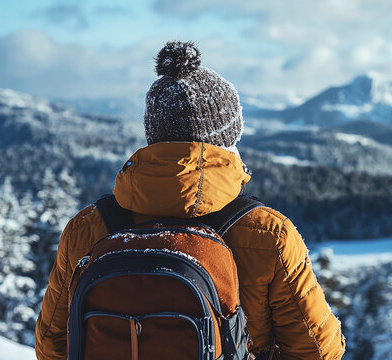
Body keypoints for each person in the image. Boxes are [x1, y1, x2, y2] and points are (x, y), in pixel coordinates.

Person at [34, 41, 345, 360]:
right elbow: (318, 351)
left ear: (153, 135)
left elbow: (52, 344)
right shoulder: (268, 233)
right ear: (229, 136)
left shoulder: (87, 228)